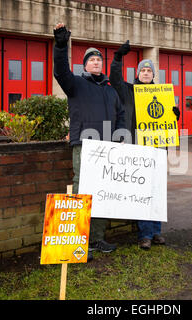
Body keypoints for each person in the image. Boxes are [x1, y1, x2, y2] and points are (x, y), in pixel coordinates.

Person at [53, 23, 125, 258]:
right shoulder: (76, 84)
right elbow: (60, 71)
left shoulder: (110, 89)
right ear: (84, 64)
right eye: (92, 60)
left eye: (99, 60)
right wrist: (61, 45)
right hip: (84, 145)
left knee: (101, 192)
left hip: (106, 148)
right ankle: (76, 242)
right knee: (81, 189)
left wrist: (121, 137)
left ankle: (96, 239)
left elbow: (121, 115)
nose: (96, 62)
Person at [109, 40, 180, 250]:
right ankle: (145, 234)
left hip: (158, 148)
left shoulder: (161, 93)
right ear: (137, 73)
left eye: (149, 70)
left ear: (153, 74)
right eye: (143, 70)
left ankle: (156, 231)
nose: (146, 73)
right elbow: (114, 78)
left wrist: (174, 114)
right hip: (137, 147)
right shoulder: (128, 90)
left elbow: (166, 121)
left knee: (157, 190)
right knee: (142, 191)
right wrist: (117, 58)